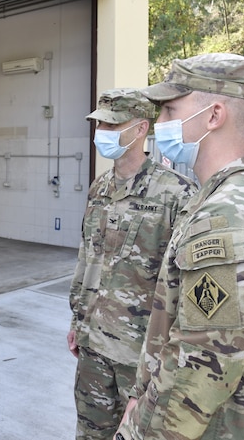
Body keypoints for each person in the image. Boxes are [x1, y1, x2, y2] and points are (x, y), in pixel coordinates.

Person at [115, 53, 244, 440]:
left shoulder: (228, 217)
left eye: (170, 110)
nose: (160, 124)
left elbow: (201, 365)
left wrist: (137, 433)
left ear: (214, 116)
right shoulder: (232, 197)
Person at [68, 88, 197, 439]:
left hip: (140, 354)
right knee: (90, 430)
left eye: (112, 126)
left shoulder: (176, 193)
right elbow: (87, 258)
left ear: (140, 130)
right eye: (100, 126)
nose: (103, 134)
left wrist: (167, 357)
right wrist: (77, 320)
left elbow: (183, 285)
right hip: (93, 343)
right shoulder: (99, 188)